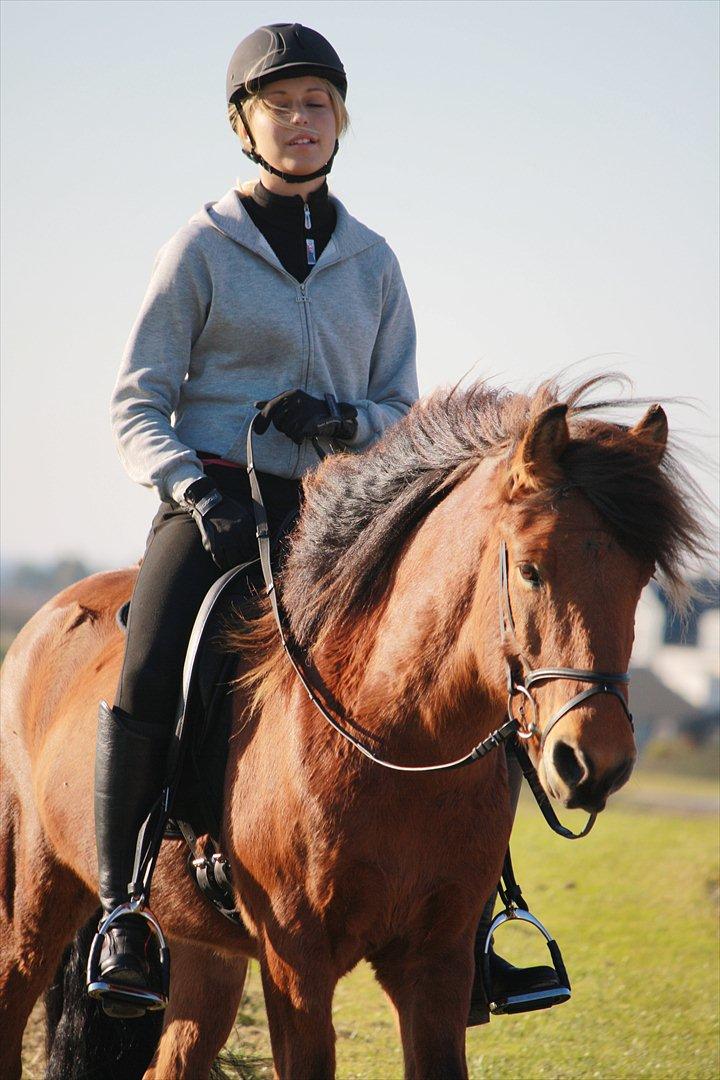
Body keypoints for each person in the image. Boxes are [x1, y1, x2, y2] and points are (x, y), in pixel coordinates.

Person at [88, 22, 566, 1023]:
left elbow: (403, 402)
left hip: (346, 514)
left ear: (340, 121)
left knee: (455, 661)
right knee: (150, 662)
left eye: (317, 104)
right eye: (280, 104)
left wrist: (349, 422)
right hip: (219, 503)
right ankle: (125, 905)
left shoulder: (374, 261)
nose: (300, 121)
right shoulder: (199, 250)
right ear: (243, 123)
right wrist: (189, 486)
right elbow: (136, 399)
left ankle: (481, 913)